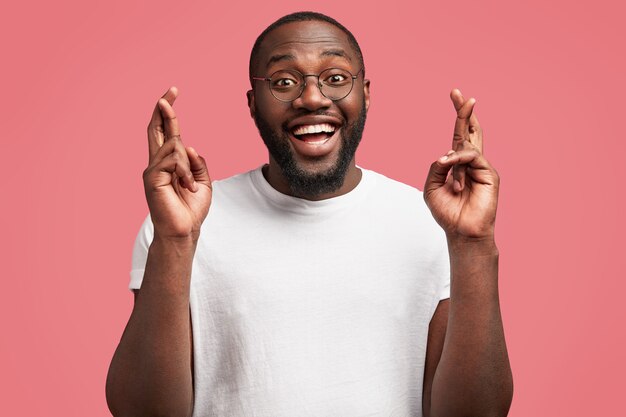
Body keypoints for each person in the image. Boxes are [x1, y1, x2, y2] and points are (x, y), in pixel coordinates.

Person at [106, 11, 513, 417]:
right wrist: (175, 241)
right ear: (253, 104)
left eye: (336, 78)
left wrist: (472, 244)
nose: (313, 98)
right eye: (284, 82)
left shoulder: (430, 223)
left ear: (366, 94)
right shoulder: (185, 221)